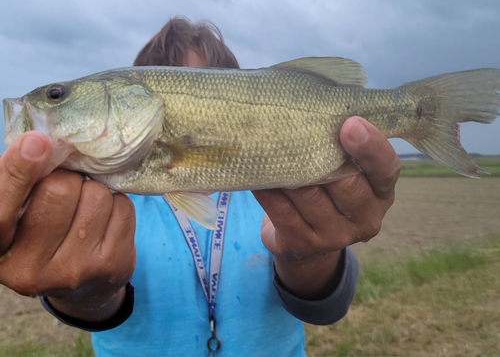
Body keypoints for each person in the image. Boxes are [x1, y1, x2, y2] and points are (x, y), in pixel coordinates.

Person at [0, 18, 400, 356]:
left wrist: (309, 254)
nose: (45, 104)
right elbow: (96, 306)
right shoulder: (94, 198)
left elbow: (325, 306)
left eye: (56, 96)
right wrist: (80, 293)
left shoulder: (281, 191)